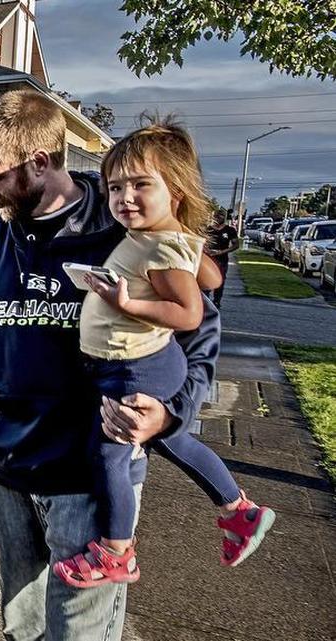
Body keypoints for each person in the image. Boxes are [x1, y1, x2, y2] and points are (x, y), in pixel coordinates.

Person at [0, 90, 220, 641]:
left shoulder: (127, 229)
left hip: (89, 475)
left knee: (78, 634)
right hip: (7, 466)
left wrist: (170, 414)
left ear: (40, 161)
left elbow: (199, 332)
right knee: (20, 624)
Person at [50, 121, 275, 589]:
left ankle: (116, 553)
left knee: (112, 455)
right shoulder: (165, 239)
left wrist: (126, 302)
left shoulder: (162, 246)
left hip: (137, 368)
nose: (123, 196)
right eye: (115, 187)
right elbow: (209, 279)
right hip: (140, 362)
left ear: (175, 192)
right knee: (171, 438)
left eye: (140, 185)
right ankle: (239, 510)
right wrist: (188, 248)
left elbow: (191, 312)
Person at [204, 209, 240, 307]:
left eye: (221, 215)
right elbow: (202, 242)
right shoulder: (209, 229)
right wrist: (206, 250)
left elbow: (236, 245)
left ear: (225, 217)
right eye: (217, 215)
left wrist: (222, 252)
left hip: (222, 259)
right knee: (206, 279)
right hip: (209, 258)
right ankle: (206, 301)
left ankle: (217, 300)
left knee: (220, 280)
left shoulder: (230, 230)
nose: (218, 217)